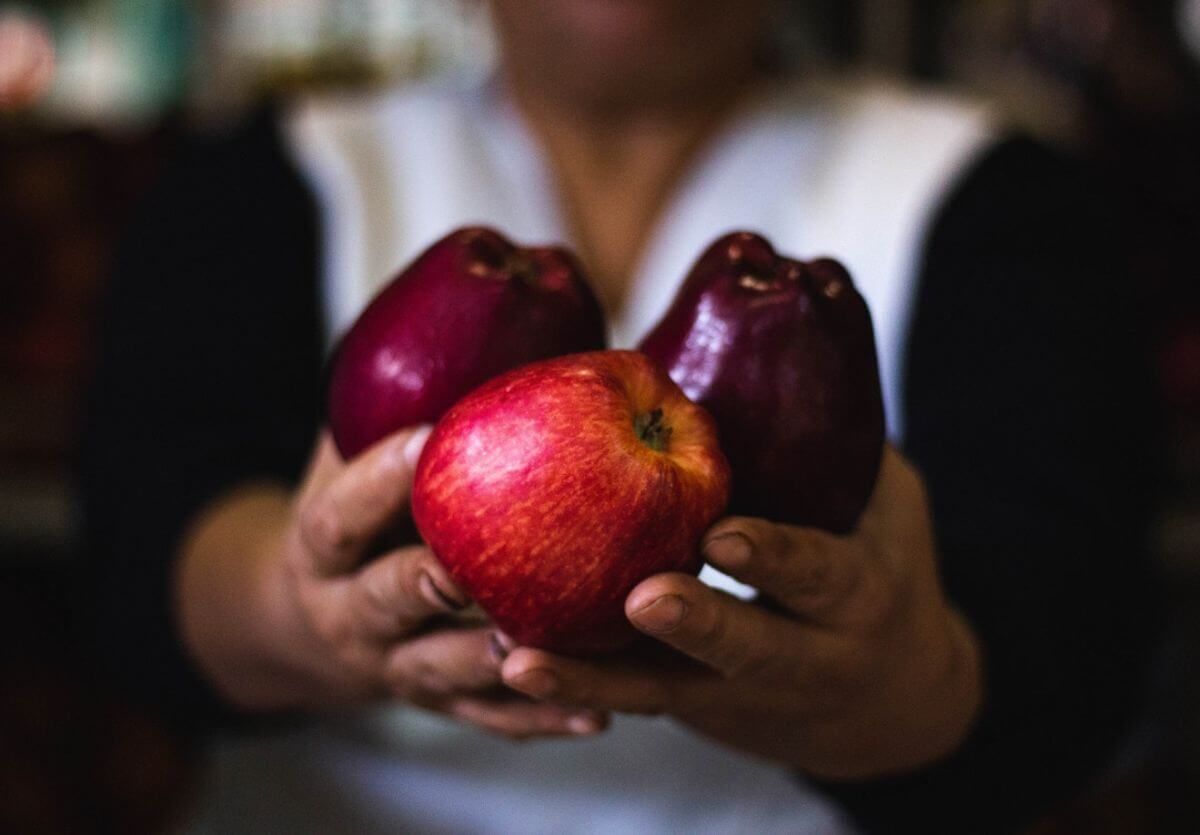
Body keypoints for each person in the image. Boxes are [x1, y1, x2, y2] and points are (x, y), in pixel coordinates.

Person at [80, 1, 1160, 832]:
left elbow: (1079, 645)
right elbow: (139, 544)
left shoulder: (1001, 200)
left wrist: (916, 686)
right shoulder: (257, 180)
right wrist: (287, 607)